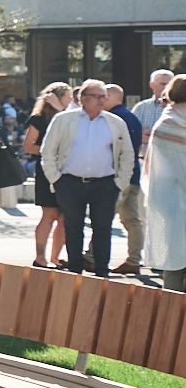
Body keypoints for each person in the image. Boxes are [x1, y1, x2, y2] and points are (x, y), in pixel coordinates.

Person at [40, 80, 134, 276]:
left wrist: (120, 183)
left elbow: (127, 154)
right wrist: (56, 179)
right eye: (97, 96)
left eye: (104, 97)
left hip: (105, 183)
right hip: (70, 182)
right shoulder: (63, 120)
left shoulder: (115, 122)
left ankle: (101, 273)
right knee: (73, 227)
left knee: (103, 228)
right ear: (83, 99)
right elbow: (48, 151)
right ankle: (75, 271)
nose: (102, 101)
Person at [140, 75, 186, 292]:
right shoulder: (168, 124)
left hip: (168, 202)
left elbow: (151, 167)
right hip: (175, 203)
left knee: (174, 262)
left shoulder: (165, 123)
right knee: (175, 264)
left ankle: (172, 317)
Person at [109, 78, 155, 275]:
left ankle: (93, 256)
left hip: (120, 174)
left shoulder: (113, 118)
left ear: (112, 97)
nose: (100, 100)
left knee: (104, 216)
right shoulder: (131, 116)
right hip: (133, 173)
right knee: (132, 219)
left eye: (103, 96)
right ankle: (134, 259)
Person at [24, 84, 72, 267]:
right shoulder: (39, 119)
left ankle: (55, 257)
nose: (72, 101)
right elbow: (28, 146)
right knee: (50, 214)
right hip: (47, 170)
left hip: (68, 171)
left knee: (65, 217)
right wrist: (51, 153)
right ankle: (40, 256)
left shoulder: (72, 118)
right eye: (68, 97)